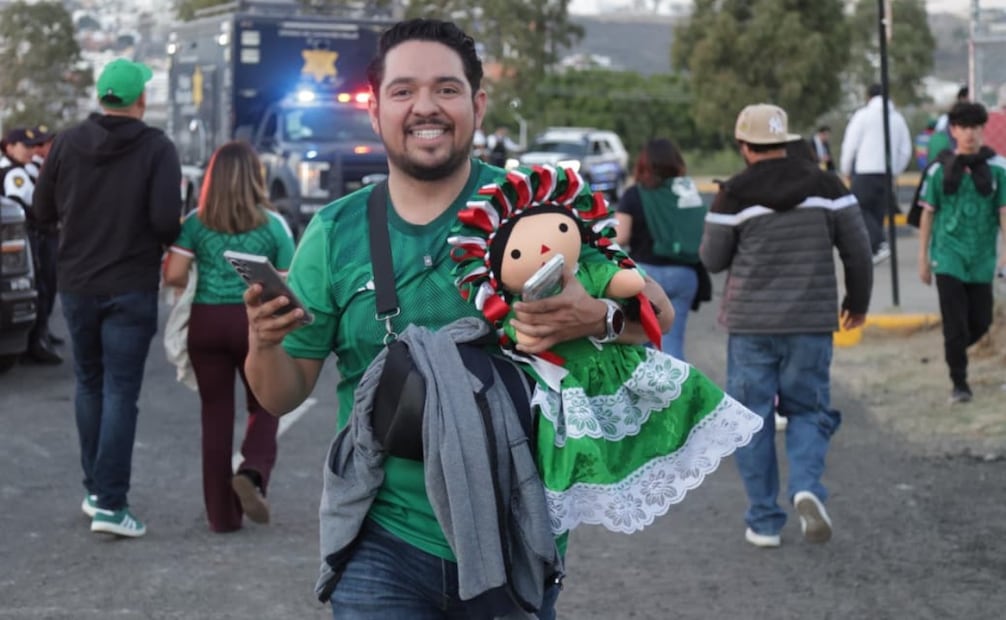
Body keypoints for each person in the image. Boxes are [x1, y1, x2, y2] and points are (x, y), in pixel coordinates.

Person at [242, 18, 674, 618]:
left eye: (446, 89)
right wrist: (263, 342)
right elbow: (281, 396)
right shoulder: (334, 231)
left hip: (515, 533)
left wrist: (595, 315)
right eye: (403, 91)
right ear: (376, 111)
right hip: (380, 539)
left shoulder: (531, 206)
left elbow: (656, 310)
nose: (426, 107)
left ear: (477, 104)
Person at [701, 103, 873, 549]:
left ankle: (763, 521)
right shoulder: (827, 185)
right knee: (809, 410)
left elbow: (712, 259)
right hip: (811, 323)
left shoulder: (733, 193)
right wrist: (857, 302)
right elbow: (858, 248)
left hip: (750, 324)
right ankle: (806, 489)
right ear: (784, 140)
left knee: (752, 418)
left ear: (744, 146)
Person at [33, 58, 182, 538]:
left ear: (102, 96)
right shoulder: (158, 147)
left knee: (90, 384)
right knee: (120, 391)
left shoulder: (68, 142)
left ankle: (97, 491)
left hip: (76, 285)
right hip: (131, 285)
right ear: (140, 99)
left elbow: (40, 209)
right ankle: (111, 504)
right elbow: (165, 222)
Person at [164, 141, 295, 532]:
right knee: (267, 402)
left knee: (215, 415)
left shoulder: (195, 222)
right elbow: (289, 279)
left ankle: (222, 517)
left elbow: (172, 274)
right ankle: (253, 470)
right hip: (254, 324)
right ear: (255, 177)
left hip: (205, 323)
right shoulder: (273, 224)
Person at [916, 101, 1006, 404]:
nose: (969, 134)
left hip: (982, 256)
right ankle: (960, 383)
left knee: (980, 321)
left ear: (983, 129)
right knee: (954, 324)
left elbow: (1004, 212)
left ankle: (953, 350)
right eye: (962, 127)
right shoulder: (939, 170)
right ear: (953, 130)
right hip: (947, 254)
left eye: (974, 127)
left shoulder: (998, 168)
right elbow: (928, 214)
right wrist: (923, 258)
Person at [615, 138, 710, 360]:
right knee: (672, 344)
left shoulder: (634, 194)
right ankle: (677, 391)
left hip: (644, 275)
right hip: (685, 274)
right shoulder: (688, 193)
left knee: (641, 343)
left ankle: (646, 392)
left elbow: (621, 235)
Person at [1, 128, 62, 364]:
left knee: (44, 287)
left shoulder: (21, 170)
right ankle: (36, 342)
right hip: (31, 237)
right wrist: (41, 219)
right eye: (25, 146)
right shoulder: (14, 172)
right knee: (41, 288)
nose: (31, 151)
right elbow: (16, 204)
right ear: (10, 146)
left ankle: (40, 338)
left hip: (34, 237)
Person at [839, 83, 912, 265]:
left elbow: (850, 145)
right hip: (887, 173)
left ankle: (879, 244)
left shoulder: (863, 116)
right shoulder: (897, 118)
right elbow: (906, 150)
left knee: (859, 208)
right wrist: (895, 169)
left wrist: (845, 169)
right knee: (877, 213)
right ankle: (873, 252)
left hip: (865, 171)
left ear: (868, 97)